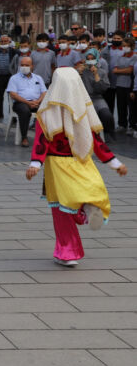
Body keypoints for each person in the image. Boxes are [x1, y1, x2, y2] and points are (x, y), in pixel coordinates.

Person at [25, 67, 127, 267]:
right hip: (82, 160)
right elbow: (97, 141)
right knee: (91, 190)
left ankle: (68, 252)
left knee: (62, 210)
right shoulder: (84, 109)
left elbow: (41, 141)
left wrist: (35, 163)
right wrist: (115, 163)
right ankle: (85, 210)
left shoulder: (46, 112)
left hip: (57, 164)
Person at [7, 57, 47, 147]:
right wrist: (28, 103)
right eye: (22, 65)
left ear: (32, 66)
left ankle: (46, 138)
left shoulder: (38, 78)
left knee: (48, 110)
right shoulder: (14, 78)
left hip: (37, 102)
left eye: (27, 65)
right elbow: (13, 94)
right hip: (20, 103)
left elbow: (44, 92)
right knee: (25, 111)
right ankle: (24, 137)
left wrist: (38, 101)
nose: (24, 67)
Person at [75, 55, 114, 137]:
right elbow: (75, 87)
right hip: (83, 99)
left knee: (107, 115)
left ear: (96, 59)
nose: (90, 61)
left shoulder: (101, 72)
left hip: (97, 98)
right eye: (88, 59)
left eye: (92, 59)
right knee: (88, 117)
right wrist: (80, 73)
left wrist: (96, 74)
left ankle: (109, 135)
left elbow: (102, 89)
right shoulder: (81, 71)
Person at [109, 36, 135, 132]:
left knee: (131, 107)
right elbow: (114, 70)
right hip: (119, 84)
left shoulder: (135, 57)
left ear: (132, 47)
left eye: (127, 46)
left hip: (129, 85)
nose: (125, 48)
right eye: (123, 46)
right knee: (120, 106)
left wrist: (120, 70)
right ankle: (122, 124)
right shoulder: (120, 56)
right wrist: (123, 70)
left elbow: (130, 70)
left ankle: (132, 125)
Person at [0, 35, 16, 115]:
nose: (3, 43)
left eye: (5, 41)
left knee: (12, 97)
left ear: (9, 42)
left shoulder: (14, 52)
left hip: (10, 78)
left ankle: (13, 115)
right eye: (2, 41)